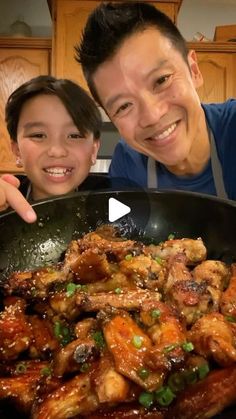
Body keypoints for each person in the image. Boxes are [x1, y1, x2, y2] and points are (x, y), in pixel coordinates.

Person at [76, 1, 236, 200]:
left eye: (161, 80)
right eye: (124, 106)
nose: (152, 116)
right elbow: (115, 227)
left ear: (193, 71)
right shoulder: (127, 163)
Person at [0, 75, 105, 222]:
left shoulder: (115, 197)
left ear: (94, 150)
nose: (57, 151)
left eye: (74, 136)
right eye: (38, 135)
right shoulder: (4, 204)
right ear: (17, 150)